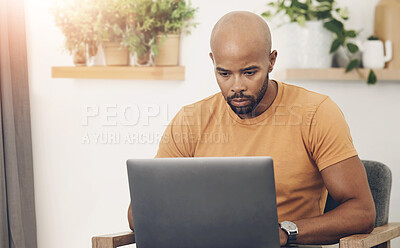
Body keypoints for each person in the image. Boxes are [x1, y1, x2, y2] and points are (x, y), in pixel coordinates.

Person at [128, 11, 376, 246]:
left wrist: (284, 232)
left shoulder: (316, 113)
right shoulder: (190, 120)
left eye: (249, 72)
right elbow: (139, 214)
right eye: (224, 73)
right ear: (213, 61)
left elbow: (362, 211)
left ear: (271, 61)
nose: (237, 86)